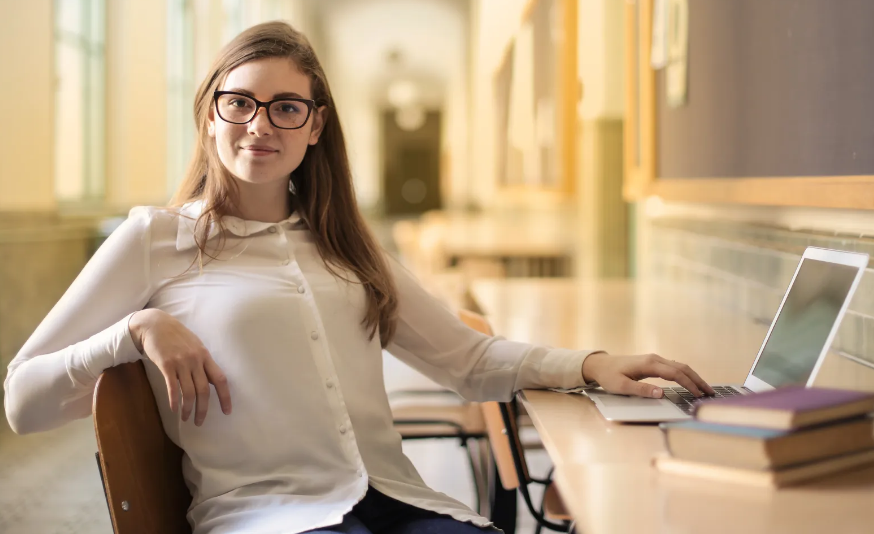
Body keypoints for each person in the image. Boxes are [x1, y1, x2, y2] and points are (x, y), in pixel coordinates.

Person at [3, 21, 713, 534]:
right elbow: (23, 400)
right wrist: (133, 330)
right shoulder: (156, 239)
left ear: (315, 128)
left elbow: (467, 361)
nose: (259, 125)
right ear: (209, 115)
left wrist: (592, 364)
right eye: (239, 102)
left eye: (286, 107)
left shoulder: (345, 244)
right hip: (269, 519)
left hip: (405, 505)